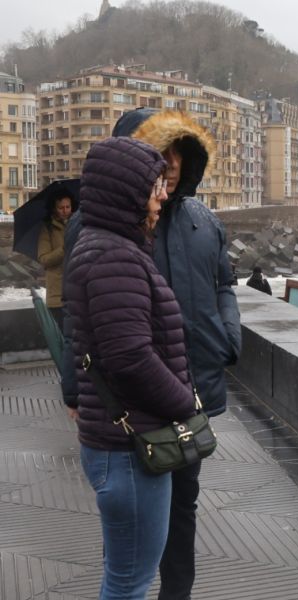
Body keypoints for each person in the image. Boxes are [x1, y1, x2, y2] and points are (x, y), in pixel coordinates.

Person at [112, 107, 242, 600]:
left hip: (194, 391)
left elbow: (225, 283)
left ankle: (177, 594)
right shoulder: (103, 224)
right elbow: (82, 315)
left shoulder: (203, 220)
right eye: (158, 150)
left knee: (184, 503)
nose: (169, 161)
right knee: (133, 511)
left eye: (177, 151)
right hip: (132, 400)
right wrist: (73, 389)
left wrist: (229, 336)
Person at [66, 137, 198, 599]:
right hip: (129, 450)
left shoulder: (107, 247)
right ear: (127, 193)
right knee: (129, 584)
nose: (162, 197)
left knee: (125, 577)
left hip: (119, 444)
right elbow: (130, 359)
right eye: (154, 188)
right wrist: (186, 404)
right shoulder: (114, 257)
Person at [37, 194, 72, 331]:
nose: (65, 211)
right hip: (58, 295)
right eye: (61, 208)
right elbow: (44, 259)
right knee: (65, 335)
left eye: (68, 207)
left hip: (77, 293)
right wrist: (64, 249)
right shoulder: (48, 229)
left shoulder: (78, 225)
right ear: (54, 209)